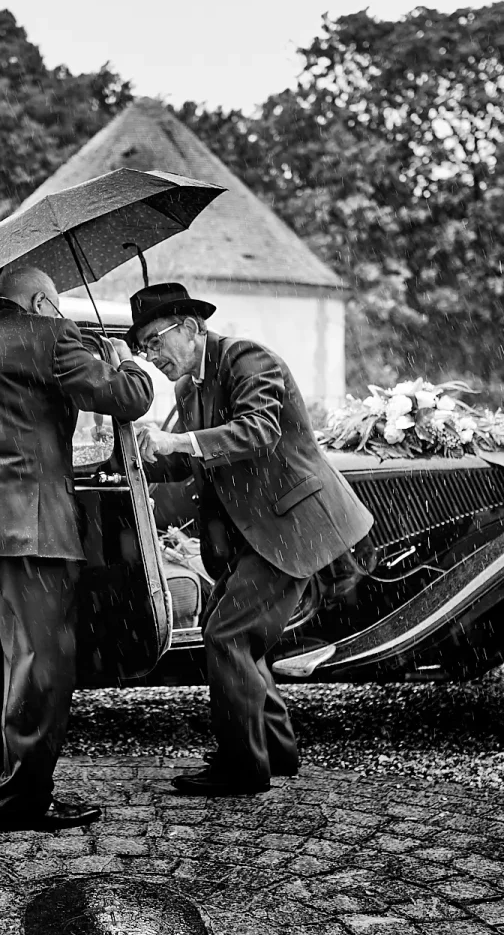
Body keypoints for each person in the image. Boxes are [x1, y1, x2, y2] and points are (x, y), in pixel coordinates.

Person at [0, 265, 153, 831]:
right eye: (55, 304)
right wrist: (122, 357)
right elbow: (129, 399)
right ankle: (24, 801)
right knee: (39, 664)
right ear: (40, 301)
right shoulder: (50, 336)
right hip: (29, 530)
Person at [130, 282, 374, 796]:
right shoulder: (186, 390)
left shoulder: (245, 358)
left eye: (155, 342)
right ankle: (275, 749)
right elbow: (199, 460)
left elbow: (257, 431)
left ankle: (243, 765)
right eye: (142, 349)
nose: (151, 357)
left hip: (294, 524)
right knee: (241, 633)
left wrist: (180, 439)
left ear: (191, 329)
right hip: (256, 532)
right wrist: (145, 454)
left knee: (227, 634)